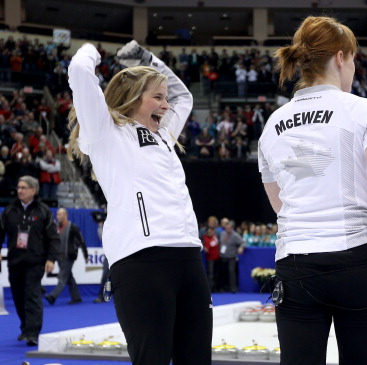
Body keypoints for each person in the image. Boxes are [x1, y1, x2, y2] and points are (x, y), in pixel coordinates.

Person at [258, 16, 367, 365]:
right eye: (353, 58)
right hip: (358, 257)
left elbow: (277, 199)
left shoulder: (273, 123)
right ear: (341, 57)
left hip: (297, 261)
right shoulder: (362, 110)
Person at [67, 40, 212, 365]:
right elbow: (78, 70)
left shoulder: (162, 135)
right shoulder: (105, 132)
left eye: (164, 97)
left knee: (197, 359)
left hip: (189, 259)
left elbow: (184, 96)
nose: (166, 104)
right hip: (142, 262)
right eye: (157, 97)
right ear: (133, 98)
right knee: (152, 359)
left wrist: (147, 58)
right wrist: (92, 48)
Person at [0, 175, 60, 346]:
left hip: (35, 262)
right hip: (14, 262)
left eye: (23, 187)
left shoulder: (43, 211)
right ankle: (25, 327)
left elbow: (53, 238)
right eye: (18, 187)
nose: (19, 190)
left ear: (34, 190)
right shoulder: (9, 211)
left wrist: (51, 258)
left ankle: (33, 333)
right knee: (18, 297)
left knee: (31, 296)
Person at [44, 208, 89, 305]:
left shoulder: (73, 227)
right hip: (59, 256)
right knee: (69, 277)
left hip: (69, 256)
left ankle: (53, 296)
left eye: (59, 215)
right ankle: (76, 297)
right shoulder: (56, 228)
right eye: (57, 215)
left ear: (65, 215)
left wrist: (85, 254)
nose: (57, 217)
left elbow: (81, 241)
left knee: (62, 277)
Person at [218, 220, 245, 293]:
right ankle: (223, 288)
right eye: (226, 228)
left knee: (231, 272)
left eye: (229, 228)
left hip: (231, 257)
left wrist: (241, 247)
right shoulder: (222, 234)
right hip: (222, 257)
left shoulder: (235, 235)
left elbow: (243, 242)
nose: (227, 229)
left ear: (232, 228)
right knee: (223, 273)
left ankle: (233, 288)